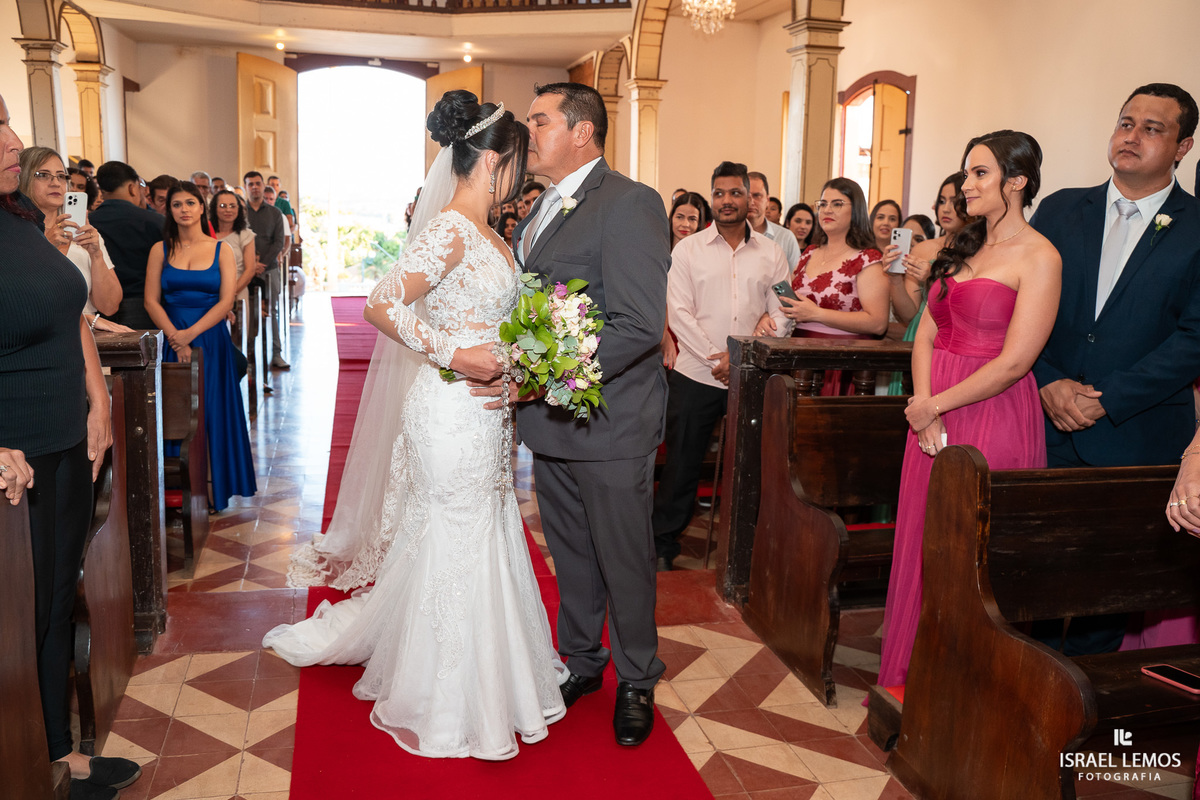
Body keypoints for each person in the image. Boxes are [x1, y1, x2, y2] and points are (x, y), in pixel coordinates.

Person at [267, 90, 566, 760]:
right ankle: (443, 695)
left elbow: (494, 321)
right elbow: (382, 304)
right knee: (455, 532)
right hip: (449, 409)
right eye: (518, 162)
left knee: (485, 526)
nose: (522, 176)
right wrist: (457, 355)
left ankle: (489, 680)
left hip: (486, 414)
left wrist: (516, 368)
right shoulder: (451, 229)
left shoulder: (492, 234)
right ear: (495, 160)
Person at [501, 81, 670, 747]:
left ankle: (637, 677)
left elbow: (637, 325)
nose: (529, 132)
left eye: (540, 121)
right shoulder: (540, 206)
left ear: (582, 132)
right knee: (570, 553)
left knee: (623, 557)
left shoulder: (629, 202)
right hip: (553, 423)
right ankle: (582, 661)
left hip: (611, 420)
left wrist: (543, 377)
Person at [876, 130, 1061, 689]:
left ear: (1017, 181)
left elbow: (1016, 362)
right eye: (966, 172)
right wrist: (923, 406)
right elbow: (926, 332)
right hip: (931, 412)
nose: (966, 185)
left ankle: (965, 690)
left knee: (970, 552)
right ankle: (911, 680)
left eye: (980, 173)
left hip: (991, 411)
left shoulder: (1040, 255)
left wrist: (935, 404)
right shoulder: (961, 246)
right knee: (923, 540)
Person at [0, 93, 139, 800]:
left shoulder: (19, 219)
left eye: (7, 123)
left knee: (54, 598)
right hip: (15, 452)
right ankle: (26, 758)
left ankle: (60, 752)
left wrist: (98, 405)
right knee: (19, 612)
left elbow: (73, 317)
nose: (12, 140)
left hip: (64, 435)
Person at [1033, 83, 1200, 655]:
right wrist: (1047, 380)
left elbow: (1194, 338)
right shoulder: (1060, 209)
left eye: (1152, 128)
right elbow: (1021, 309)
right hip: (1046, 425)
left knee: (1106, 593)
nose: (1131, 135)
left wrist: (1108, 398)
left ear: (1183, 147)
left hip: (1138, 433)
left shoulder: (1196, 225)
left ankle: (1085, 696)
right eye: (1126, 122)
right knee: (1029, 575)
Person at [652, 161, 787, 571]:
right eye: (719, 193)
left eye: (735, 192)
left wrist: (743, 357)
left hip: (752, 375)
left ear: (750, 198)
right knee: (682, 463)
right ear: (711, 198)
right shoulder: (688, 250)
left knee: (752, 462)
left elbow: (783, 311)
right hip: (696, 374)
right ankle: (662, 543)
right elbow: (679, 313)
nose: (726, 200)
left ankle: (749, 543)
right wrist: (719, 358)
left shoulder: (772, 252)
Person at [144, 182, 256, 512]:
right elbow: (151, 301)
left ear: (201, 207)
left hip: (209, 339)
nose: (184, 209)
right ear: (169, 210)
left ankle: (211, 487)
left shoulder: (222, 249)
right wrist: (175, 337)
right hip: (170, 337)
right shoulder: (160, 249)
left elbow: (226, 301)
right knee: (177, 411)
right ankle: (177, 490)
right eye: (177, 204)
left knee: (211, 410)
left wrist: (189, 335)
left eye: (190, 203)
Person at [760, 177, 889, 394]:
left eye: (837, 204)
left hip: (842, 357)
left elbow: (877, 323)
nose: (827, 210)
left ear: (856, 210)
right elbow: (791, 301)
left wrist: (817, 314)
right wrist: (767, 314)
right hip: (799, 353)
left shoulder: (868, 258)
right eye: (823, 204)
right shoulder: (809, 252)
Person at [18, 146, 128, 332]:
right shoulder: (14, 234)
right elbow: (20, 300)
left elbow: (109, 306)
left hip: (88, 339)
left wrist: (96, 255)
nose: (55, 183)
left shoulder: (84, 232)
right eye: (43, 175)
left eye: (61, 176)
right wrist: (47, 249)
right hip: (38, 337)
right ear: (23, 178)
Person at [883, 173, 968, 395]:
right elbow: (908, 313)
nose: (946, 209)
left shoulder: (978, 252)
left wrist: (935, 277)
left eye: (954, 201)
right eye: (941, 201)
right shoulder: (924, 249)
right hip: (918, 333)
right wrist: (895, 278)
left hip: (955, 338)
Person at [90, 161, 164, 329]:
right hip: (145, 308)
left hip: (100, 310)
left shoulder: (89, 223)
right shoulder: (154, 222)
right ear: (132, 188)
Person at [661, 190, 714, 368]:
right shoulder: (659, 250)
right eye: (680, 217)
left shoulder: (706, 257)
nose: (685, 224)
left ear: (700, 223)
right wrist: (664, 334)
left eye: (692, 219)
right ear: (671, 218)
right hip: (662, 326)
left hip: (695, 329)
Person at [243, 171, 289, 369]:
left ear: (263, 186)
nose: (254, 187)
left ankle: (276, 353)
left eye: (258, 183)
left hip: (269, 268)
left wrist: (261, 263)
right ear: (246, 187)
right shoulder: (240, 212)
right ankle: (248, 355)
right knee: (246, 311)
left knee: (272, 310)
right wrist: (250, 264)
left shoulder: (275, 213)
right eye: (250, 184)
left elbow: (279, 242)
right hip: (245, 270)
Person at [209, 188, 259, 301]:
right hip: (209, 290)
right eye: (223, 206)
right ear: (214, 209)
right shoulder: (206, 233)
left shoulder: (245, 235)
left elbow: (250, 270)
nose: (228, 210)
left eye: (232, 206)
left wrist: (229, 294)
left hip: (237, 289)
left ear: (238, 209)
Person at [747, 172, 800, 270]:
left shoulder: (785, 238)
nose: (751, 202)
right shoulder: (727, 236)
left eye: (757, 195)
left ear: (767, 200)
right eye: (746, 196)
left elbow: (795, 276)